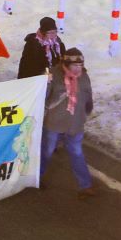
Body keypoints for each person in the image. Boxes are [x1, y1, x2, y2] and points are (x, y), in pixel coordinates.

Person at [42, 47, 95, 196]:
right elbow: (43, 97)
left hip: (75, 123)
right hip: (54, 123)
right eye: (75, 65)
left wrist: (87, 109)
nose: (79, 69)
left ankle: (85, 186)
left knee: (77, 152)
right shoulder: (53, 74)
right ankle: (35, 178)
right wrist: (45, 83)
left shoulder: (84, 76)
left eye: (81, 65)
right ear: (66, 64)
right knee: (46, 152)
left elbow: (88, 94)